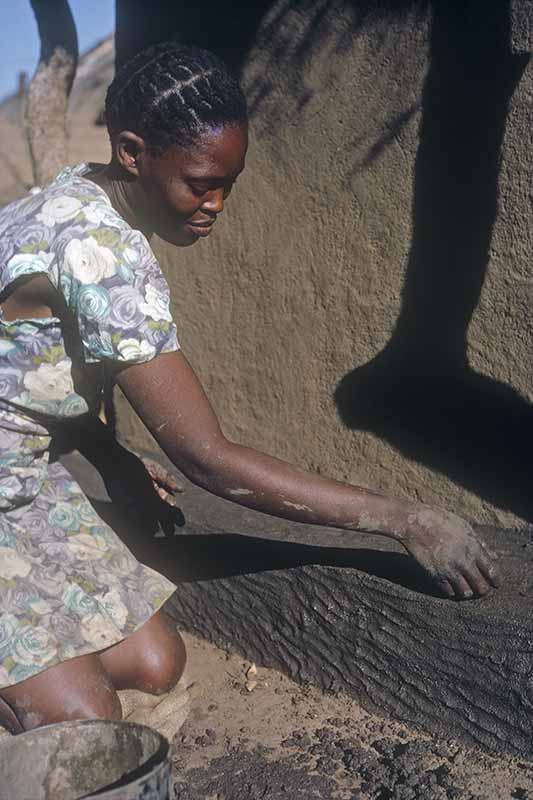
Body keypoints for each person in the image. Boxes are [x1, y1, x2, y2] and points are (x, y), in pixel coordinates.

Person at [0, 43, 497, 734]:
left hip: (26, 470)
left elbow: (27, 368)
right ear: (132, 152)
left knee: (155, 665)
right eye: (201, 184)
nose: (216, 205)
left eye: (228, 184)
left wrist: (111, 457)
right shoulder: (101, 254)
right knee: (83, 719)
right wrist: (403, 519)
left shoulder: (72, 192)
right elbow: (205, 459)